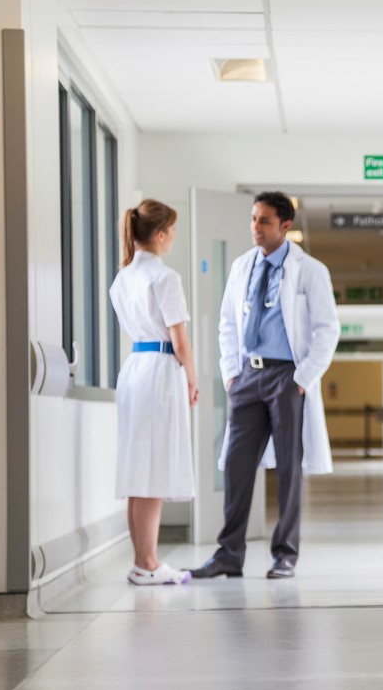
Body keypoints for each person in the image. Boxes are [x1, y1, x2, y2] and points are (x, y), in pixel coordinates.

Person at [189, 191, 339, 580]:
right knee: (237, 464)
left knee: (289, 466)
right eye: (254, 219)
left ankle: (285, 553)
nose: (256, 227)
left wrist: (303, 379)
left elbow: (327, 330)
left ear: (285, 226)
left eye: (265, 221)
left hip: (288, 376)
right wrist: (230, 374)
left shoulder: (310, 270)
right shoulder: (242, 266)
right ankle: (228, 553)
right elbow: (226, 322)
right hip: (247, 376)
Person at [109, 199, 198, 586]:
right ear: (160, 234)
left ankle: (143, 559)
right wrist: (193, 379)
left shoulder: (123, 277)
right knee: (153, 468)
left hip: (134, 369)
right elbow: (180, 341)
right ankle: (147, 562)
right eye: (173, 230)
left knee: (138, 468)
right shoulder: (165, 278)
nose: (174, 237)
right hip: (161, 370)